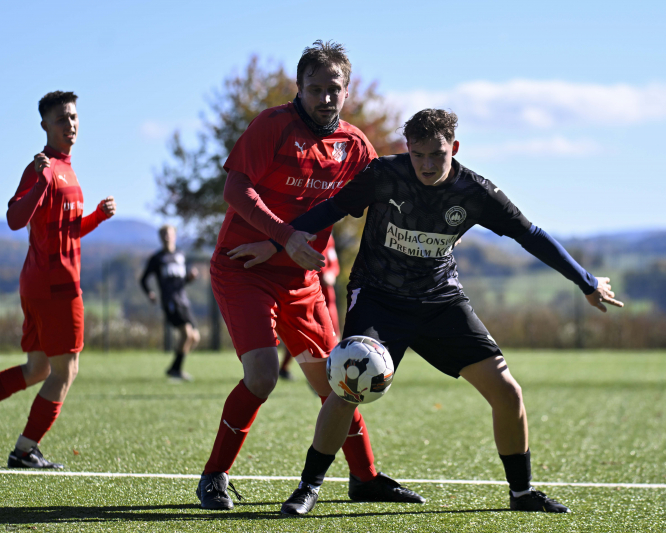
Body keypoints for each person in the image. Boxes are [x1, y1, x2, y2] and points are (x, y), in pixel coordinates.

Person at [239, 108, 625, 515]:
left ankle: (522, 492)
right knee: (347, 387)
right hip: (378, 299)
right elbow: (328, 210)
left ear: (453, 149)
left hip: (441, 301)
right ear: (407, 149)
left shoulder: (476, 192)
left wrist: (586, 280)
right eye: (418, 153)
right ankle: (308, 487)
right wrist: (277, 241)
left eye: (436, 155)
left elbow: (531, 235)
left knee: (507, 391)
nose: (426, 164)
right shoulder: (384, 174)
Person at [196, 40, 423, 510]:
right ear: (298, 89)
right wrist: (281, 237)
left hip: (302, 282)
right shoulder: (272, 126)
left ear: (346, 90)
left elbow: (362, 204)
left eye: (332, 89)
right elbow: (235, 190)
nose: (324, 97)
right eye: (314, 88)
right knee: (261, 377)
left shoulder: (355, 147)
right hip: (245, 269)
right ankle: (214, 476)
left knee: (342, 383)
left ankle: (365, 478)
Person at [1, 91, 116, 469]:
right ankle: (23, 450)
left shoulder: (66, 168)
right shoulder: (46, 167)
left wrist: (97, 216)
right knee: (67, 371)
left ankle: (24, 448)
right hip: (56, 287)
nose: (70, 124)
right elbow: (16, 219)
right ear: (45, 126)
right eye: (62, 118)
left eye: (74, 117)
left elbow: (65, 231)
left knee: (37, 369)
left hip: (40, 283)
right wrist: (38, 182)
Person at [140, 224, 200, 380]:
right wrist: (150, 293)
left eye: (170, 233)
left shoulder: (180, 255)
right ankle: (176, 370)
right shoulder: (157, 258)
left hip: (183, 300)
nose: (167, 237)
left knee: (195, 338)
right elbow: (143, 279)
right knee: (186, 334)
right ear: (160, 237)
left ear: (175, 236)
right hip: (170, 301)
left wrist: (190, 278)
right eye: (164, 234)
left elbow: (181, 281)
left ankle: (175, 367)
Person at [278, 236, 341, 381]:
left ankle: (331, 374)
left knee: (332, 336)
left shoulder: (329, 237)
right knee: (299, 333)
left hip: (326, 295)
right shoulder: (302, 231)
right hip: (304, 290)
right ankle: (286, 368)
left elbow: (334, 262)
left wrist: (332, 273)